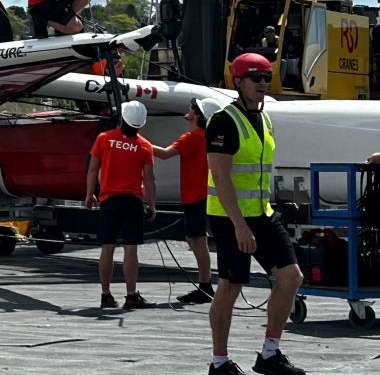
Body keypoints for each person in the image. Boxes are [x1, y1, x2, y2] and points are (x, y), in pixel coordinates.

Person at [205, 52, 305, 375]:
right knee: (231, 286)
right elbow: (220, 178)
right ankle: (219, 362)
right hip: (228, 216)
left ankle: (269, 354)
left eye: (266, 77)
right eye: (255, 77)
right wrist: (239, 226)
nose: (263, 83)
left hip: (261, 213)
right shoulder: (222, 122)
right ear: (237, 81)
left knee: (291, 277)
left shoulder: (265, 119)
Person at [85, 100, 157, 310]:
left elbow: (92, 169)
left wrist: (90, 194)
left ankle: (105, 295)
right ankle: (131, 295)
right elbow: (150, 179)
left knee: (107, 248)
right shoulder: (144, 146)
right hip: (132, 200)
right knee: (130, 249)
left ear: (122, 117)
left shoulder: (104, 139)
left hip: (108, 199)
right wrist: (152, 204)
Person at [152, 97, 224, 304]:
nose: (189, 110)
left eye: (192, 109)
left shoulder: (191, 137)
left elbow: (165, 154)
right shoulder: (207, 137)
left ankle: (205, 285)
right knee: (195, 239)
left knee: (198, 241)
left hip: (195, 196)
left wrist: (136, 141)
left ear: (198, 116)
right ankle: (205, 284)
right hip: (201, 195)